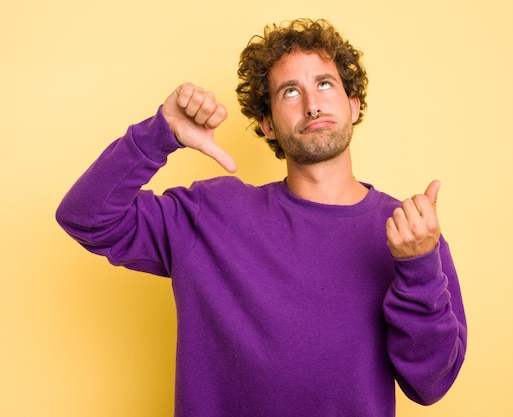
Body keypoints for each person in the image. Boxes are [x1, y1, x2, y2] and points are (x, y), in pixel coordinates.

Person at [56, 18, 467, 417]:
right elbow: (85, 218)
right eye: (290, 91)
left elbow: (430, 384)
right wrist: (159, 133)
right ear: (267, 124)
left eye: (325, 84)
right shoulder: (210, 214)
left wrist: (418, 265)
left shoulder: (412, 234)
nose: (312, 104)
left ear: (353, 104)